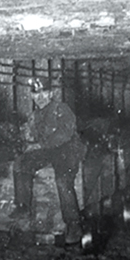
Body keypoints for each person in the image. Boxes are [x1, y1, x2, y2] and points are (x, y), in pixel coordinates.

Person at [11, 77, 86, 245]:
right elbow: (33, 138)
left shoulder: (62, 109)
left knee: (63, 180)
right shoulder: (34, 116)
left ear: (51, 93)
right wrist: (25, 139)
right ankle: (23, 208)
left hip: (67, 149)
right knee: (21, 163)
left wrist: (39, 144)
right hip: (47, 151)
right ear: (31, 96)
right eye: (36, 94)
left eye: (44, 93)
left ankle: (74, 225)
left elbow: (64, 134)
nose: (40, 97)